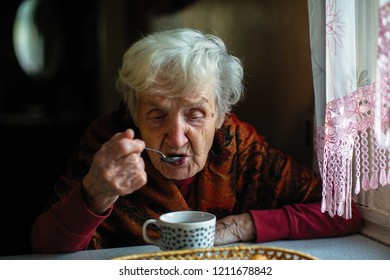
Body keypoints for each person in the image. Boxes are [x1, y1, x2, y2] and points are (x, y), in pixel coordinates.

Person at [30, 28, 361, 253]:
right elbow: (45, 250)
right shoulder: (109, 145)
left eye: (195, 114)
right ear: (133, 114)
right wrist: (95, 193)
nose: (176, 138)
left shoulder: (240, 146)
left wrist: (242, 226)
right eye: (157, 115)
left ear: (220, 115)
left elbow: (343, 212)